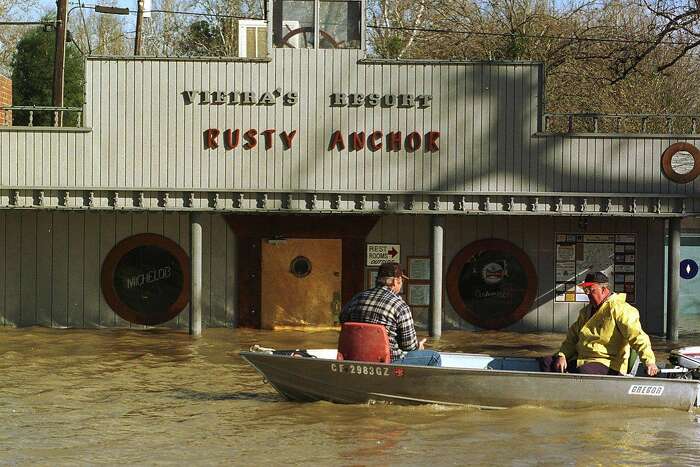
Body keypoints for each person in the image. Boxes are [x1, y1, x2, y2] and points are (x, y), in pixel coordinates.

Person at [544, 271, 658, 376]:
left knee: (583, 372)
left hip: (608, 363)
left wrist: (649, 362)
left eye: (591, 290)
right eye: (586, 291)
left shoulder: (621, 309)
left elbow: (638, 337)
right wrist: (562, 355)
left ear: (604, 290)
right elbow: (571, 339)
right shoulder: (585, 312)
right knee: (547, 362)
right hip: (582, 359)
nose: (588, 294)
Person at [339, 262, 441, 367]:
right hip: (388, 362)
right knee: (434, 357)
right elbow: (408, 346)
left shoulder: (356, 298)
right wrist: (418, 346)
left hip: (354, 357)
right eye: (401, 281)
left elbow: (343, 320)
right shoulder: (400, 306)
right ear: (395, 281)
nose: (401, 285)